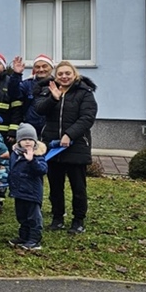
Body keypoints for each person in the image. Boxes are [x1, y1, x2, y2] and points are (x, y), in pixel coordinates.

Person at [33, 60, 97, 234]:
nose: (64, 77)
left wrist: (70, 134)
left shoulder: (85, 92)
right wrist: (53, 99)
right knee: (55, 186)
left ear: (74, 74)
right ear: (56, 75)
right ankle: (57, 217)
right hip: (53, 147)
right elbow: (38, 109)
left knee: (78, 187)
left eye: (68, 73)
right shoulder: (47, 90)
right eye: (60, 74)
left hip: (76, 146)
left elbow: (87, 117)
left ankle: (78, 220)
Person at [7, 124, 49, 251]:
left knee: (33, 217)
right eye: (24, 139)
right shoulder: (15, 154)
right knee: (21, 215)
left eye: (30, 139)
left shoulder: (38, 155)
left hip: (32, 192)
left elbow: (42, 170)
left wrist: (32, 161)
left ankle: (35, 239)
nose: (28, 142)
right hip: (19, 191)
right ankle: (24, 236)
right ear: (19, 141)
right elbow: (13, 170)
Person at [20, 55, 54, 134]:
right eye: (37, 67)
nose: (41, 69)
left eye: (44, 66)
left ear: (52, 68)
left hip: (51, 128)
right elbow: (14, 94)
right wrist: (16, 75)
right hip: (30, 129)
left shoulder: (59, 84)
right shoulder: (27, 84)